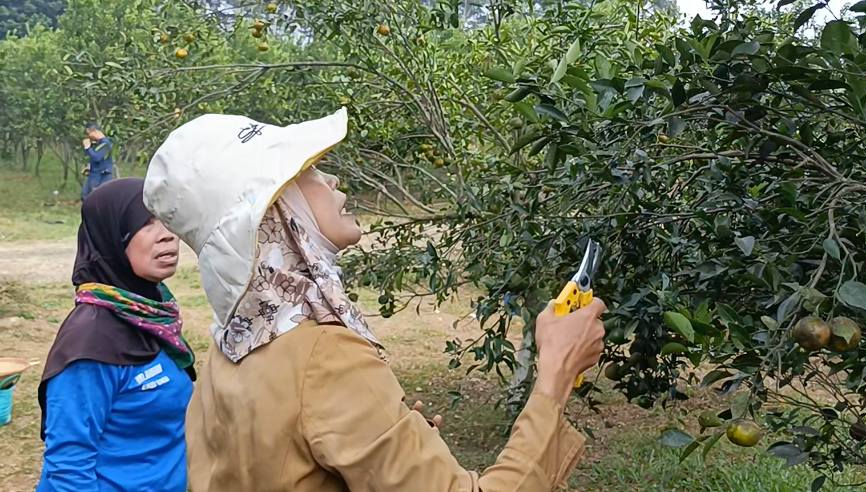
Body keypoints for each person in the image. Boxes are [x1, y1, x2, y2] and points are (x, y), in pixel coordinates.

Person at [144, 108, 606, 492]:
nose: (331, 179)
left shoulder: (229, 350)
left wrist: (393, 451)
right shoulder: (324, 355)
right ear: (276, 212)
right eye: (306, 172)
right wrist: (556, 376)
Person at [36, 178, 195, 492]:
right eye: (146, 223)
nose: (167, 235)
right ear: (112, 236)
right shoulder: (91, 342)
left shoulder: (152, 316)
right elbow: (69, 469)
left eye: (166, 219)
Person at [81, 124, 114, 201]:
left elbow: (97, 158)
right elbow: (102, 159)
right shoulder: (99, 143)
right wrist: (90, 167)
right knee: (85, 194)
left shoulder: (105, 144)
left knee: (93, 197)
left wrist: (87, 147)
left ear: (95, 131)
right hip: (95, 173)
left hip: (100, 175)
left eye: (89, 133)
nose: (89, 136)